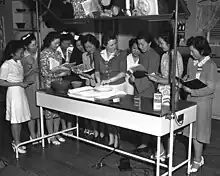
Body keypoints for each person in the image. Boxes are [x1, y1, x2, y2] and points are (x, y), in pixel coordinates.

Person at [182, 36, 217, 173]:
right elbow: (189, 76)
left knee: (199, 133)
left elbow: (211, 88)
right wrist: (184, 80)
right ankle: (195, 156)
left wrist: (192, 91)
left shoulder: (211, 66)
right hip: (191, 101)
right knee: (191, 132)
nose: (190, 54)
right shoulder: (191, 61)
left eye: (193, 51)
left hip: (203, 103)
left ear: (202, 51)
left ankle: (197, 160)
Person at [148, 33, 184, 161]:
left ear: (169, 43)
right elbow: (165, 75)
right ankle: (161, 150)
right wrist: (157, 76)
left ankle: (169, 152)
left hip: (171, 93)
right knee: (160, 122)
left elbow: (174, 79)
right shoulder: (164, 55)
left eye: (162, 43)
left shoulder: (176, 56)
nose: (160, 45)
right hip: (162, 92)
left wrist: (157, 79)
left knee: (169, 124)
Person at [94, 32, 127, 148]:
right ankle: (111, 136)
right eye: (111, 45)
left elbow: (123, 73)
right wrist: (98, 81)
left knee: (116, 114)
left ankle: (117, 137)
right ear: (104, 45)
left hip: (117, 86)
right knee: (106, 113)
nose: (114, 47)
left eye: (115, 43)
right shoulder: (98, 54)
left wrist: (109, 81)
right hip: (104, 87)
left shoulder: (122, 54)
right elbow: (97, 70)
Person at [129, 31, 160, 150]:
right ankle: (144, 141)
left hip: (147, 88)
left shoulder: (154, 56)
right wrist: (134, 75)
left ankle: (148, 142)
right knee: (139, 115)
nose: (140, 47)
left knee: (147, 115)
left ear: (150, 43)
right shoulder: (142, 55)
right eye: (139, 44)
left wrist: (135, 81)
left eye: (142, 44)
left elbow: (151, 77)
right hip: (139, 87)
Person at [0, 40, 32, 154]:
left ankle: (17, 141)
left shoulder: (18, 62)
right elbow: (1, 82)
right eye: (20, 52)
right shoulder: (6, 65)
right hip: (13, 93)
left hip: (20, 91)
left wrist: (30, 72)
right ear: (12, 53)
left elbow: (20, 76)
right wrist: (18, 84)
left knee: (20, 118)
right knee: (15, 119)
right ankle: (16, 143)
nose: (22, 54)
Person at [40, 31, 70, 145]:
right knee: (49, 111)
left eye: (58, 43)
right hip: (49, 83)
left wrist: (65, 69)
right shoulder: (44, 54)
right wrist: (58, 73)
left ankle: (57, 133)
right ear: (49, 42)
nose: (57, 45)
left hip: (59, 83)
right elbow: (44, 72)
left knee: (58, 110)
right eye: (55, 43)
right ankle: (51, 135)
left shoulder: (57, 54)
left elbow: (61, 67)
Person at [20, 33, 41, 143]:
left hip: (39, 82)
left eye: (36, 44)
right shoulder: (22, 56)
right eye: (33, 45)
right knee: (31, 110)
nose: (35, 46)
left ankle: (40, 131)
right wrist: (32, 70)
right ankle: (32, 134)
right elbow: (19, 75)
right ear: (26, 46)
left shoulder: (39, 54)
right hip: (29, 84)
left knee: (39, 108)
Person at [81, 34, 100, 138]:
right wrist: (83, 74)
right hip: (89, 84)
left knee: (98, 110)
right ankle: (91, 128)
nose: (88, 49)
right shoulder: (84, 55)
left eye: (90, 46)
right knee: (89, 109)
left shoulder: (100, 54)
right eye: (86, 47)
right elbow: (85, 69)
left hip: (98, 84)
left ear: (95, 44)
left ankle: (99, 131)